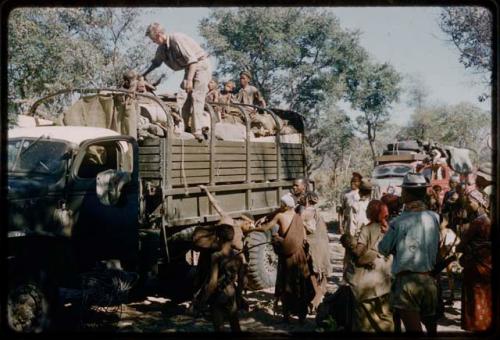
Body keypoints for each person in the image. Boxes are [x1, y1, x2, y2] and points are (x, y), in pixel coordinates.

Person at [378, 172, 440, 334]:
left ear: (408, 193)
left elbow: (383, 248)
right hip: (430, 281)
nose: (401, 194)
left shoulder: (398, 222)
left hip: (407, 283)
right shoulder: (434, 217)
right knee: (432, 329)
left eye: (403, 191)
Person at [143, 22, 212, 141]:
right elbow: (156, 63)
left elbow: (193, 60)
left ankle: (197, 130)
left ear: (159, 34)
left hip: (200, 65)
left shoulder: (176, 39)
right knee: (182, 96)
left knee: (196, 96)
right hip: (189, 68)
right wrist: (142, 75)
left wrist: (189, 80)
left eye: (153, 39)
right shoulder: (162, 48)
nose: (153, 42)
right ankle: (183, 127)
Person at [256, 193, 312, 323]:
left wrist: (253, 229)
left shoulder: (280, 216)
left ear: (286, 206)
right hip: (300, 256)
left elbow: (265, 228)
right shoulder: (298, 217)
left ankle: (286, 316)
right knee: (300, 285)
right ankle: (301, 317)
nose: (280, 206)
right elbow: (304, 238)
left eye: (281, 204)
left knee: (286, 284)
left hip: (287, 257)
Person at [341, 200, 394, 332]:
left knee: (364, 318)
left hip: (368, 282)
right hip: (386, 279)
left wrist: (350, 244)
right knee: (386, 315)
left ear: (371, 213)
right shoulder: (390, 229)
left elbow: (359, 254)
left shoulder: (367, 229)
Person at [456, 189, 492, 332]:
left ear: (479, 203)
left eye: (470, 202)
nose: (468, 205)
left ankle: (475, 325)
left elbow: (461, 245)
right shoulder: (488, 220)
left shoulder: (478, 222)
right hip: (486, 264)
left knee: (475, 294)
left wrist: (460, 247)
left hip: (476, 266)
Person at [201, 223, 244, 332]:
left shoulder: (216, 256)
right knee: (235, 324)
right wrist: (238, 296)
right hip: (231, 294)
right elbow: (242, 281)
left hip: (218, 295)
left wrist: (203, 299)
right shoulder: (239, 257)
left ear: (219, 238)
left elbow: (213, 282)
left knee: (219, 326)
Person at [299, 191, 332, 313]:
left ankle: (315, 302)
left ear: (307, 200)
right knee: (321, 274)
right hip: (323, 247)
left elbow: (311, 228)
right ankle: (317, 301)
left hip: (314, 247)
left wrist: (300, 222)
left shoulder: (306, 213)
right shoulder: (318, 213)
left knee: (313, 274)